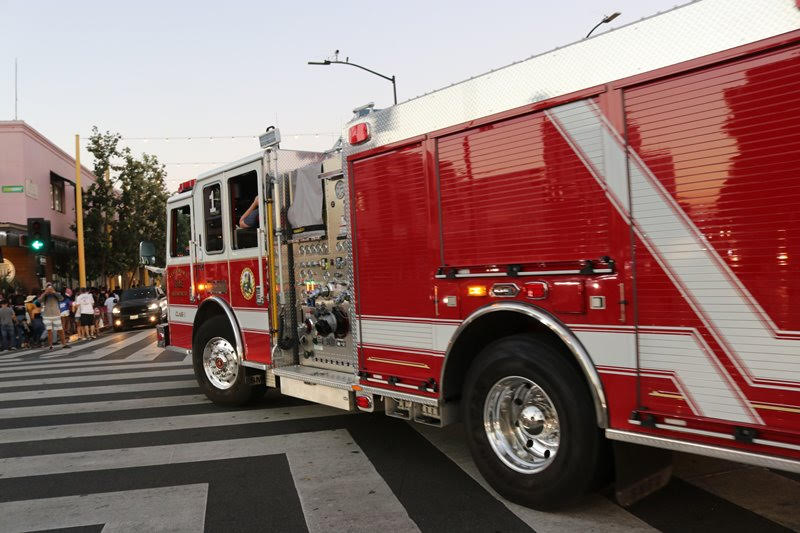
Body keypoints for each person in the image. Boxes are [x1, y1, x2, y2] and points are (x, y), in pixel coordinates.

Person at [40, 283, 70, 350]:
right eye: (48, 288)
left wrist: (54, 292)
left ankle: (64, 344)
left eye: (51, 288)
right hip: (47, 316)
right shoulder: (44, 295)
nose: (49, 289)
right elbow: (39, 300)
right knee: (49, 331)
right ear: (46, 288)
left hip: (56, 314)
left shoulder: (56, 294)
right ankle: (50, 346)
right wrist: (45, 293)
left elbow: (61, 298)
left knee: (60, 330)